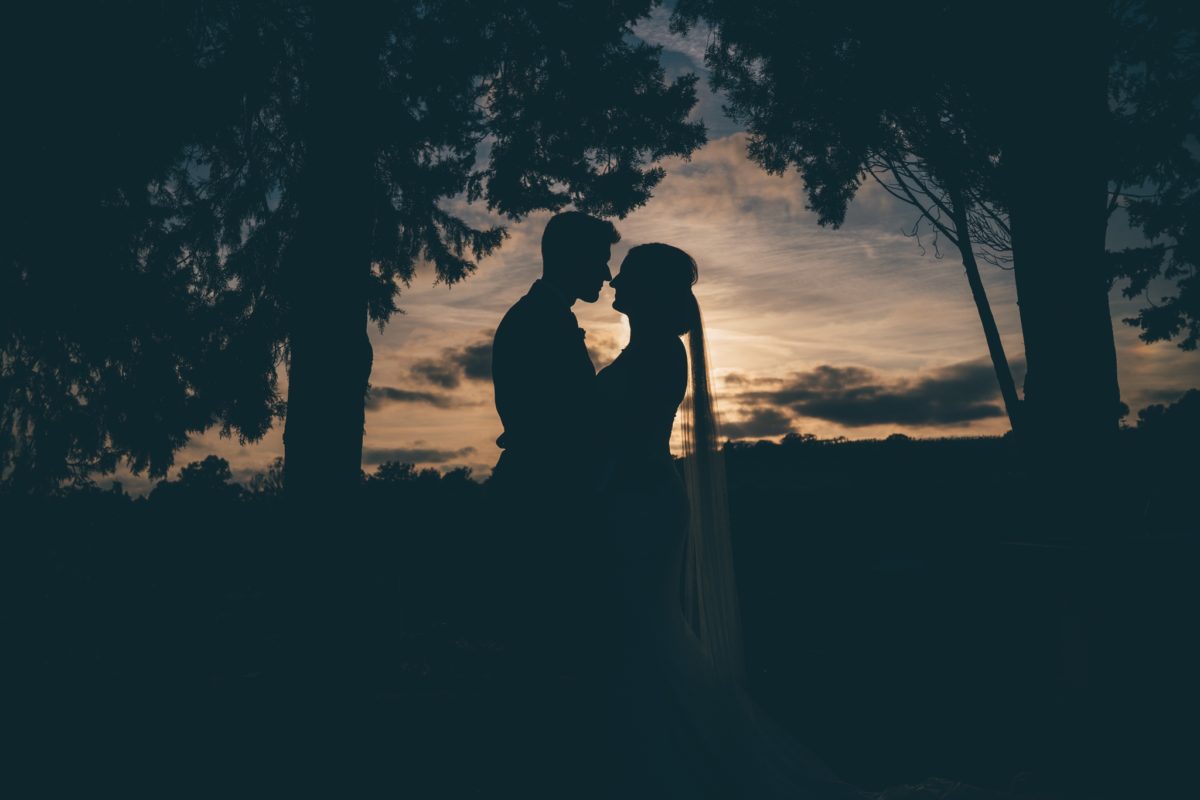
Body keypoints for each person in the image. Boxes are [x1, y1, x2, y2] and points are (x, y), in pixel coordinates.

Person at [595, 243, 874, 798]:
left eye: (625, 273)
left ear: (648, 289)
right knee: (647, 634)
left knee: (645, 632)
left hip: (640, 503)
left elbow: (622, 440)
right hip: (639, 499)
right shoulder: (651, 347)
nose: (612, 281)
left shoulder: (657, 351)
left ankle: (675, 762)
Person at [487, 210, 622, 798]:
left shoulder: (544, 317)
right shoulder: (536, 322)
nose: (608, 272)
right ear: (569, 258)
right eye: (600, 259)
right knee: (541, 645)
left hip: (546, 498)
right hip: (541, 506)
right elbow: (552, 425)